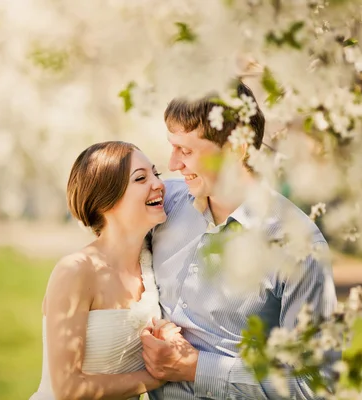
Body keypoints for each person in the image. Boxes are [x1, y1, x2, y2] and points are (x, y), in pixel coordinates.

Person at [140, 82, 338, 399]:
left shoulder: (298, 246)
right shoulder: (164, 203)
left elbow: (314, 385)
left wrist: (194, 368)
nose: (173, 164)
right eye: (173, 147)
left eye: (186, 151)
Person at [30, 141, 181, 400]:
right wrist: (158, 376)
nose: (158, 184)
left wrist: (167, 345)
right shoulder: (76, 271)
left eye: (155, 173)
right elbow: (68, 388)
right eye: (141, 178)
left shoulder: (154, 264)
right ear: (106, 200)